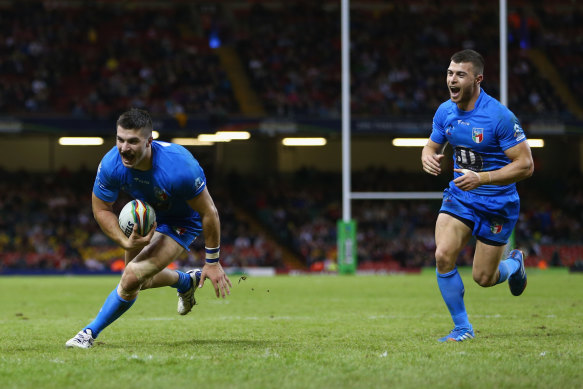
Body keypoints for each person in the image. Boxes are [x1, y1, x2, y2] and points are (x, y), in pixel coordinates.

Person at [66, 108, 232, 349]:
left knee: (131, 276)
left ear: (149, 141)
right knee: (137, 281)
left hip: (181, 223)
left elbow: (210, 212)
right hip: (147, 218)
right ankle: (185, 282)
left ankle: (88, 333)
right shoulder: (112, 164)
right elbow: (101, 209)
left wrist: (213, 262)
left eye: (133, 141)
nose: (124, 148)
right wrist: (124, 242)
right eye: (120, 140)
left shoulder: (180, 168)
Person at [421, 49, 534, 342]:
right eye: (449, 73)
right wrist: (427, 155)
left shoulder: (499, 117)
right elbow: (432, 145)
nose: (452, 79)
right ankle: (462, 328)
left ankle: (514, 264)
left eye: (460, 74)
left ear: (478, 79)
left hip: (498, 202)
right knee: (443, 255)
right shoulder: (445, 111)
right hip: (461, 197)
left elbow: (526, 165)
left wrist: (482, 177)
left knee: (484, 278)